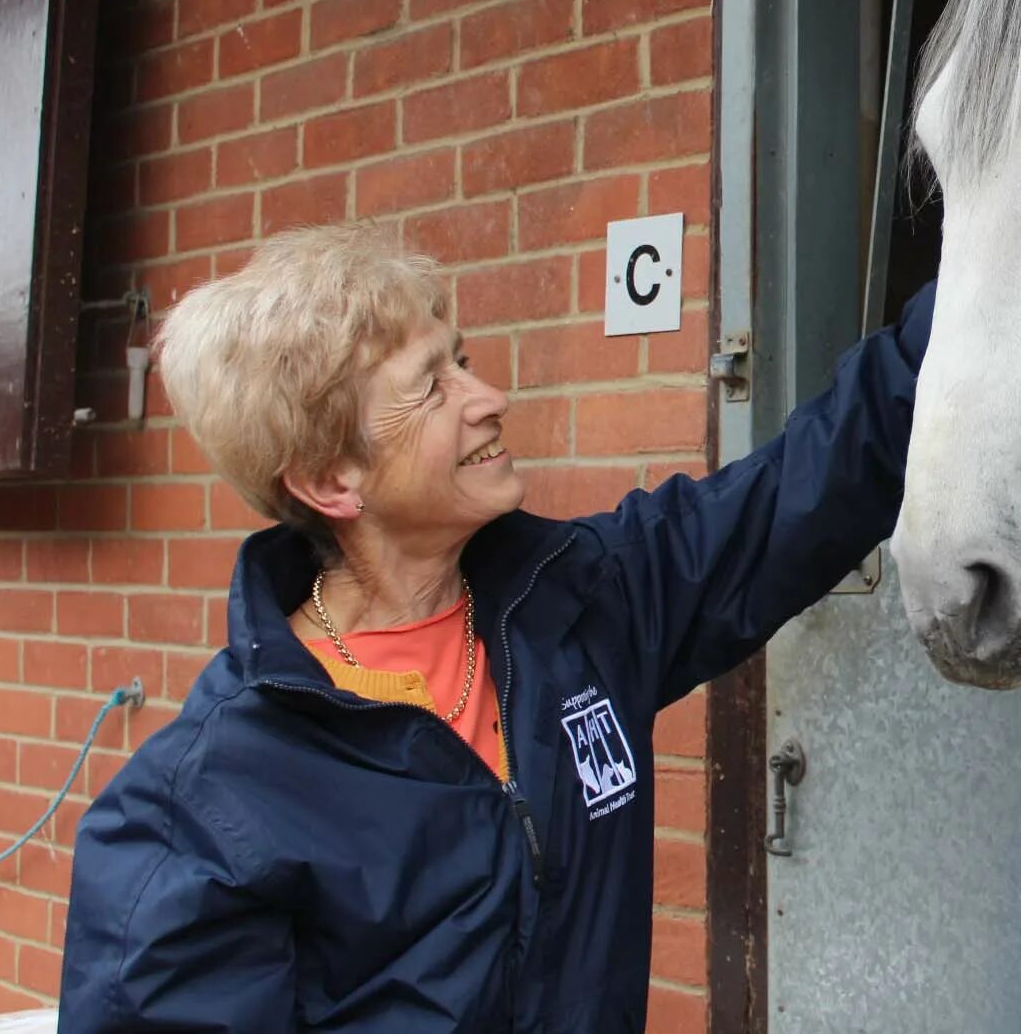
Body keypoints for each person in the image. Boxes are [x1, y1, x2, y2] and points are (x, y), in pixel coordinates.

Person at [58, 223, 934, 1030]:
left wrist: (991, 271)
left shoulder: (583, 602)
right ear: (332, 480)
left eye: (463, 360)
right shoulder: (198, 815)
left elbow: (811, 481)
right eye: (432, 385)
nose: (489, 396)